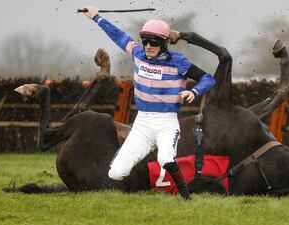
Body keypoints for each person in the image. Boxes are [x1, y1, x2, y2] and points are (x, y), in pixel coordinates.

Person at [83, 6, 215, 200]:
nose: (148, 46)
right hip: (142, 124)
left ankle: (186, 197)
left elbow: (208, 79)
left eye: (153, 42)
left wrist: (194, 91)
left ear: (163, 43)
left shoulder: (179, 62)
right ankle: (124, 154)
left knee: (165, 159)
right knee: (116, 173)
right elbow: (118, 36)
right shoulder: (137, 55)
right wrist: (96, 17)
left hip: (166, 123)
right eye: (145, 42)